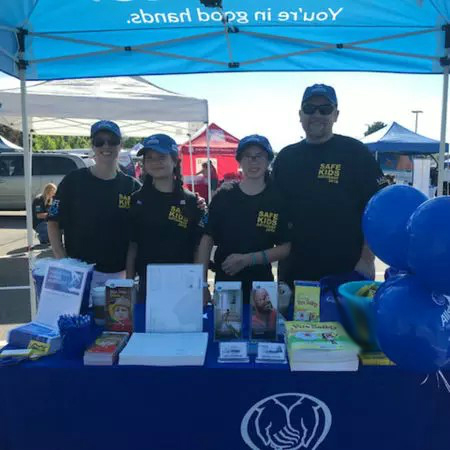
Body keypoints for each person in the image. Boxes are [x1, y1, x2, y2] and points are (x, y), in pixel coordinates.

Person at [272, 84, 388, 284]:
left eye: (325, 109)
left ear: (336, 114)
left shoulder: (355, 152)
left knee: (340, 317)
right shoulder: (285, 157)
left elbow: (378, 207)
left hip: (348, 272)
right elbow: (268, 206)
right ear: (300, 114)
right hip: (296, 274)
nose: (317, 114)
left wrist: (367, 258)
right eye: (309, 108)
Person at [48, 120, 141, 292]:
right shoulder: (73, 181)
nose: (106, 146)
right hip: (78, 273)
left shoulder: (133, 187)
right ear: (92, 145)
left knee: (118, 320)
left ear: (120, 145)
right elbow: (53, 222)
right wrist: (64, 262)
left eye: (112, 141)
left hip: (119, 275)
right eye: (99, 141)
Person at [197, 135, 291, 304]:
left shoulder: (278, 199)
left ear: (269, 160)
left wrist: (248, 259)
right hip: (226, 283)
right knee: (226, 329)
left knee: (261, 330)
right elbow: (206, 239)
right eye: (247, 156)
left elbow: (286, 247)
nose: (253, 161)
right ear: (239, 161)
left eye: (259, 156)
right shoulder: (224, 195)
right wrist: (202, 284)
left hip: (261, 285)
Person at [126, 134, 205, 302]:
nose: (155, 162)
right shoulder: (137, 199)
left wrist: (201, 286)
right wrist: (129, 284)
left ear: (174, 161)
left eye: (161, 157)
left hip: (184, 284)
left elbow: (199, 249)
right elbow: (132, 246)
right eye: (150, 158)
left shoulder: (192, 201)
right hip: (147, 285)